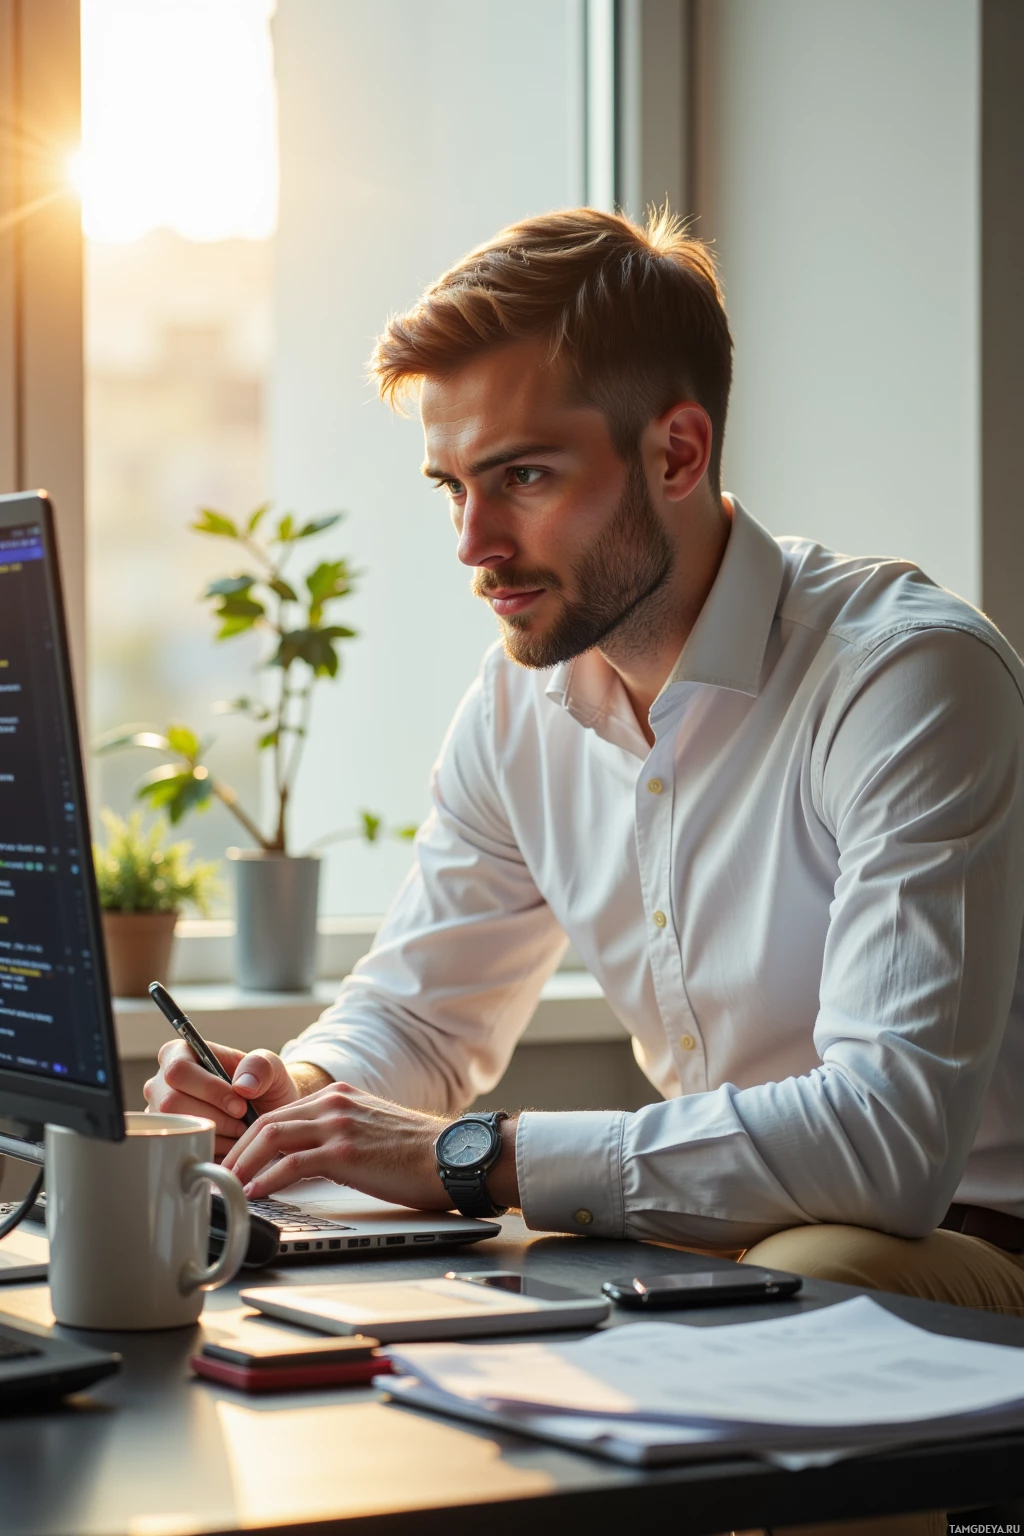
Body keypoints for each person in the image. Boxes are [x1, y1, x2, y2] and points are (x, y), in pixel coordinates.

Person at [147, 205, 1024, 1315]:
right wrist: (301, 1094)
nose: (473, 545)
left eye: (521, 478)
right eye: (451, 488)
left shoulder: (906, 679)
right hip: (708, 1246)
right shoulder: (519, 703)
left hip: (968, 1243)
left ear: (676, 451)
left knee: (820, 1277)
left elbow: (885, 1148)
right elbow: (421, 1014)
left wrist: (470, 1156)